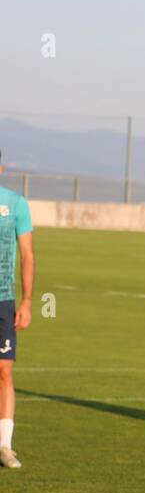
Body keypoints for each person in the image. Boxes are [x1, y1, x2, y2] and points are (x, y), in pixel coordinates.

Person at [0, 150, 34, 470]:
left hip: (3, 301)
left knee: (4, 370)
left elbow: (26, 253)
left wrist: (26, 301)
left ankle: (4, 446)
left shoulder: (15, 204)